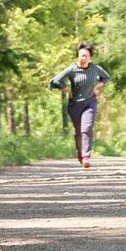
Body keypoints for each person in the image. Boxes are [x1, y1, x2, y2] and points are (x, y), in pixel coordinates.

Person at [49, 41, 110, 169]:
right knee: (78, 132)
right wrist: (65, 88)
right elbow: (55, 80)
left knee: (86, 129)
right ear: (78, 56)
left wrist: (97, 87)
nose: (83, 58)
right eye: (81, 55)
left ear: (90, 57)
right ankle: (80, 154)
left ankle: (86, 156)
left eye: (86, 56)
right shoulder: (72, 69)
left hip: (90, 102)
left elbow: (106, 78)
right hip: (75, 105)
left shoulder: (95, 68)